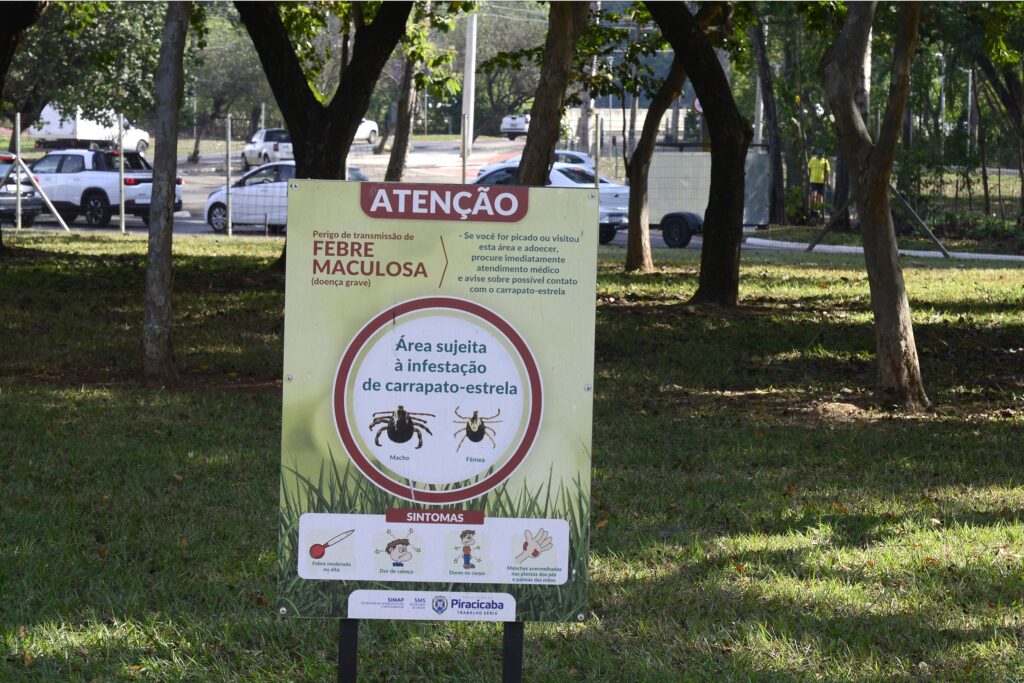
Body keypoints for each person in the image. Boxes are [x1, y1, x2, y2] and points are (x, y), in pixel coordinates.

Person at [808, 150, 831, 219]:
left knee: (820, 197)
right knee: (813, 195)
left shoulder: (825, 161)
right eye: (819, 155)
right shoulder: (812, 160)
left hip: (821, 181)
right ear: (817, 154)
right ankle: (812, 209)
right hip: (813, 180)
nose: (820, 156)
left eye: (821, 155)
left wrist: (828, 181)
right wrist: (809, 176)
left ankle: (818, 210)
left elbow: (827, 171)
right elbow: (809, 169)